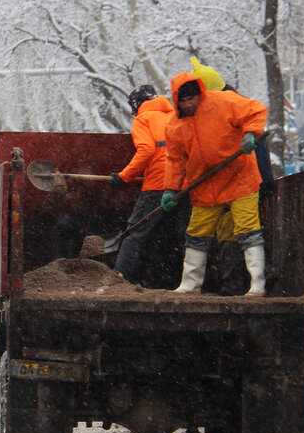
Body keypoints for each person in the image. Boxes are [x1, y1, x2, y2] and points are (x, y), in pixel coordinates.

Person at [161, 71, 269, 295]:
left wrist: (251, 133)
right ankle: (190, 285)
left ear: (200, 94)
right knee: (197, 234)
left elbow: (256, 109)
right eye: (184, 101)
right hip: (205, 187)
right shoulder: (174, 126)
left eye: (192, 98)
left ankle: (258, 284)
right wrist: (170, 188)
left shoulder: (224, 101)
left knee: (248, 230)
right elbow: (175, 160)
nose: (189, 104)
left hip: (240, 179)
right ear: (176, 101)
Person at [188, 57, 276, 295]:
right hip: (235, 184)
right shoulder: (226, 106)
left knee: (238, 233)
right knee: (235, 234)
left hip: (242, 184)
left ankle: (238, 285)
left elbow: (256, 153)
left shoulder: (233, 108)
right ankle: (236, 285)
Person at [110, 84, 187, 288]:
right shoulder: (177, 116)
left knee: (136, 232)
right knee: (187, 235)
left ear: (136, 105)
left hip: (158, 184)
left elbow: (146, 151)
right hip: (185, 183)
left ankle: (119, 279)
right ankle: (193, 283)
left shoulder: (143, 119)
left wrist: (123, 176)